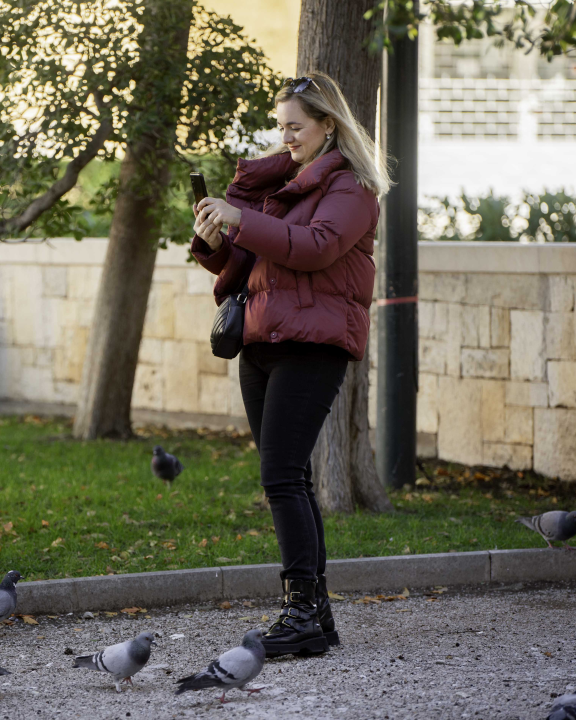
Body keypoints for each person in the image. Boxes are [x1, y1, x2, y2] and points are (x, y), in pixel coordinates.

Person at [191, 72, 390, 658]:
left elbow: (315, 248)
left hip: (313, 344)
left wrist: (241, 217)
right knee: (291, 477)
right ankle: (316, 616)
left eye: (296, 127)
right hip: (260, 340)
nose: (286, 137)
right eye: (281, 127)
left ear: (328, 124)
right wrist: (217, 240)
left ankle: (300, 612)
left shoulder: (352, 187)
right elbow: (252, 264)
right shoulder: (284, 184)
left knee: (280, 476)